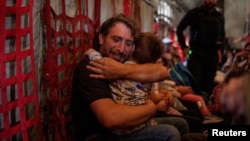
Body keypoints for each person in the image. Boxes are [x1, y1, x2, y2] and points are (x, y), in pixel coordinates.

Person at [71, 13, 183, 141]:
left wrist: (121, 70)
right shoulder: (91, 67)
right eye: (116, 40)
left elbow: (163, 71)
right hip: (101, 135)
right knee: (169, 132)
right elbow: (111, 119)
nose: (121, 49)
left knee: (181, 124)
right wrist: (153, 108)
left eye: (128, 43)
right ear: (102, 38)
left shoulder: (122, 63)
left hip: (123, 129)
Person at [176, 0, 225, 96]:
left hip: (212, 56)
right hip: (196, 55)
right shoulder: (194, 13)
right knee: (195, 83)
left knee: (208, 84)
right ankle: (196, 105)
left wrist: (220, 50)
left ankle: (206, 105)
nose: (210, 1)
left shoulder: (219, 17)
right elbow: (179, 29)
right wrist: (184, 47)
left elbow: (222, 35)